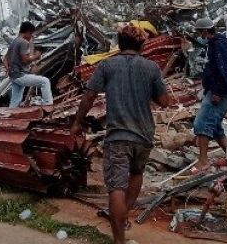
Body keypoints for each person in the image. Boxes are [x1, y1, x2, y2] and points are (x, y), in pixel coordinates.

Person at [72, 24, 172, 244]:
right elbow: (164, 102)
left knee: (116, 186)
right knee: (136, 175)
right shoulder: (151, 68)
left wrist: (78, 122)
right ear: (142, 45)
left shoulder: (107, 65)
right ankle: (122, 218)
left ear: (119, 43)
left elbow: (89, 97)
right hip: (144, 134)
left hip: (118, 135)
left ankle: (119, 239)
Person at [192, 18, 227, 173]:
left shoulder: (218, 45)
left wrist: (218, 91)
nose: (199, 35)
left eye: (199, 32)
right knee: (216, 129)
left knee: (201, 124)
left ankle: (203, 162)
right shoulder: (215, 44)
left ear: (205, 31)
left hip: (219, 92)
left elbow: (226, 70)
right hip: (217, 90)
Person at [6, 21, 52, 107]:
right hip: (20, 75)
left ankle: (11, 115)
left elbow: (5, 58)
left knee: (15, 102)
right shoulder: (23, 42)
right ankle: (47, 104)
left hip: (13, 75)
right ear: (27, 32)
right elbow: (25, 60)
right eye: (31, 34)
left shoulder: (14, 41)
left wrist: (8, 70)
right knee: (45, 81)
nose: (31, 36)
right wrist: (37, 56)